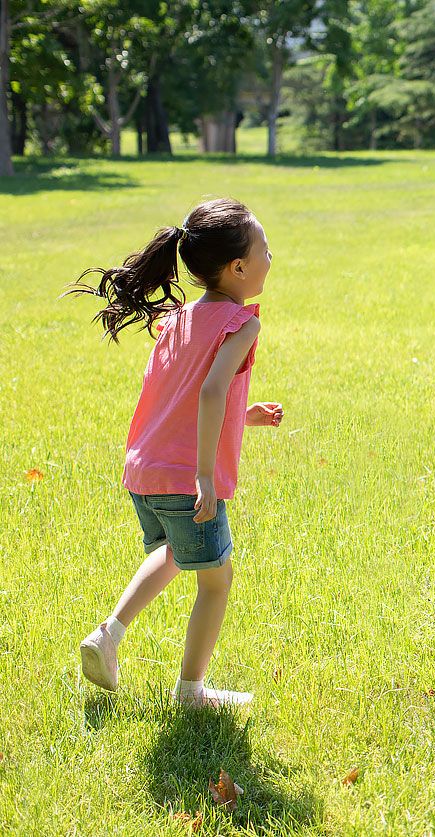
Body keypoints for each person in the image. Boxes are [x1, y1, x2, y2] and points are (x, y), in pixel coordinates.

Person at [70, 198, 283, 707]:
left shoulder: (182, 318)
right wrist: (205, 477)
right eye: (265, 249)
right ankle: (191, 691)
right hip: (188, 479)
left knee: (170, 552)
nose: (270, 258)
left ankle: (108, 635)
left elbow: (182, 391)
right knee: (216, 580)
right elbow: (209, 392)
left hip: (146, 471)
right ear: (238, 267)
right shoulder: (242, 323)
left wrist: (243, 413)